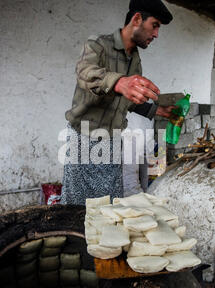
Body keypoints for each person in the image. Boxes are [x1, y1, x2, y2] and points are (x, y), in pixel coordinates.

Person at [61, 0, 177, 205]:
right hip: (83, 137)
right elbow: (85, 73)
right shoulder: (98, 44)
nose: (156, 34)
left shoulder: (135, 60)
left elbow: (129, 101)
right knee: (77, 207)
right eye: (155, 25)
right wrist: (119, 81)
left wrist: (158, 110)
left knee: (109, 204)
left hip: (112, 141)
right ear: (137, 19)